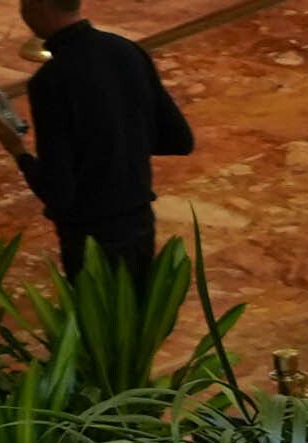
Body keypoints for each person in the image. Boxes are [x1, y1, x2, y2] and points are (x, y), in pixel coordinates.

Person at [16, 0, 190, 275]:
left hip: (89, 237)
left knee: (100, 317)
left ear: (38, 9)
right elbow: (179, 140)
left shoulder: (49, 81)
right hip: (139, 220)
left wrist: (19, 153)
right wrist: (122, 137)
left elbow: (58, 192)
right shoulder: (127, 50)